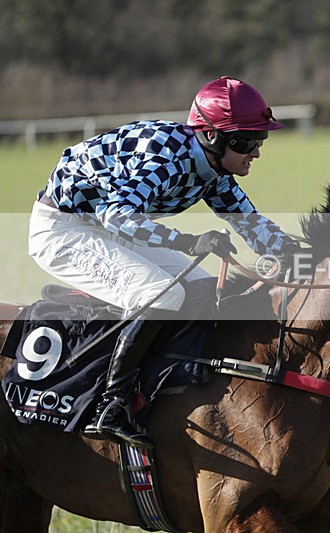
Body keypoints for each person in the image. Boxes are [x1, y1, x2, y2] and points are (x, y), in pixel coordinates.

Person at [28, 76, 300, 448]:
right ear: (209, 136)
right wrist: (189, 242)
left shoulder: (213, 168)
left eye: (259, 141)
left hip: (105, 227)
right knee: (161, 295)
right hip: (64, 228)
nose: (255, 152)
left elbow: (249, 221)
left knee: (203, 288)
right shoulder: (165, 157)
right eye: (245, 142)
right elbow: (118, 216)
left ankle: (162, 387)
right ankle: (110, 407)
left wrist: (295, 252)